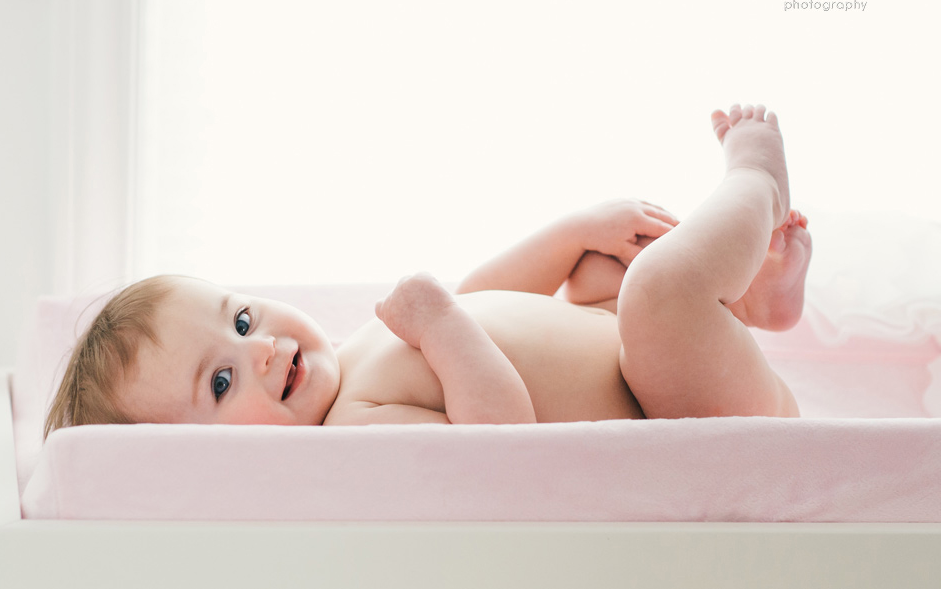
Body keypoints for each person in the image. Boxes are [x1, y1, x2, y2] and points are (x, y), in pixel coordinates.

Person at [44, 103, 812, 436]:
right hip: (685, 403)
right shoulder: (354, 429)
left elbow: (486, 299)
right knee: (658, 295)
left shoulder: (350, 356)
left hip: (652, 361)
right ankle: (758, 182)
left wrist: (572, 229)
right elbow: (499, 439)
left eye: (241, 320)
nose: (261, 350)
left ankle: (748, 305)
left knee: (594, 271)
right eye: (220, 382)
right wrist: (441, 324)